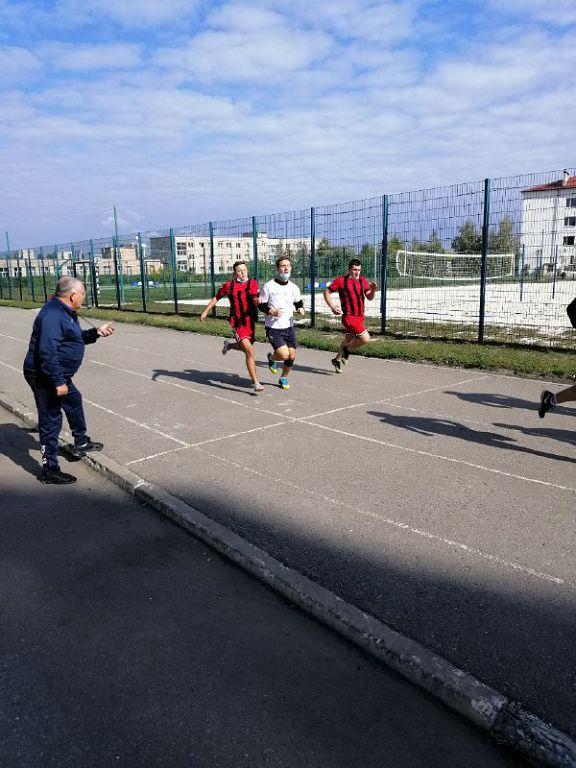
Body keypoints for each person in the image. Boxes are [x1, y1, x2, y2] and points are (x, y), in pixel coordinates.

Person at [23, 276, 115, 484]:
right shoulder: (53, 315)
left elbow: (73, 339)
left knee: (73, 400)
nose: (83, 297)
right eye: (82, 294)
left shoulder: (66, 311)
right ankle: (49, 470)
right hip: (45, 374)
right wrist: (58, 381)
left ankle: (80, 442)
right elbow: (47, 352)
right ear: (73, 295)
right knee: (51, 419)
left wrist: (96, 333)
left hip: (58, 373)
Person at [200, 260, 263, 393]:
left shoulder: (252, 283)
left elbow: (255, 298)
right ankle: (256, 382)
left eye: (244, 270)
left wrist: (259, 302)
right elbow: (216, 297)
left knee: (246, 348)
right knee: (250, 351)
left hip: (250, 322)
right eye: (239, 271)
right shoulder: (229, 285)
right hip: (237, 322)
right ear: (235, 273)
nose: (243, 273)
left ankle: (229, 345)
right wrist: (206, 311)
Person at [258, 256, 305, 390]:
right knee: (284, 355)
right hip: (274, 327)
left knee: (292, 355)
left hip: (289, 326)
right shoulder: (268, 286)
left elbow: (297, 302)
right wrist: (271, 311)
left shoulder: (294, 287)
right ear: (278, 269)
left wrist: (300, 308)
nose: (286, 268)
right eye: (283, 266)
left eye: (288, 266)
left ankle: (283, 377)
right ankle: (272, 358)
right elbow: (261, 304)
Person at [323, 259, 377, 373]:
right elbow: (327, 292)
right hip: (349, 317)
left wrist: (372, 290)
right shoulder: (341, 281)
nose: (357, 272)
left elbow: (369, 297)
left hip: (360, 317)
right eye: (355, 270)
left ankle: (337, 360)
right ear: (349, 270)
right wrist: (332, 306)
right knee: (366, 338)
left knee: (348, 339)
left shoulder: (362, 280)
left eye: (359, 270)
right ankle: (346, 352)